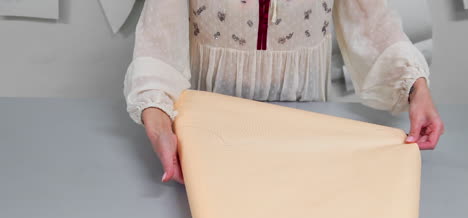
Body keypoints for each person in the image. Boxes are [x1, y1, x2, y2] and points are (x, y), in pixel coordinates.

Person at [124, 0, 444, 184]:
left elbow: (373, 25)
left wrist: (416, 88)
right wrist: (160, 127)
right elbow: (158, 44)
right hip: (214, 136)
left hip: (304, 132)